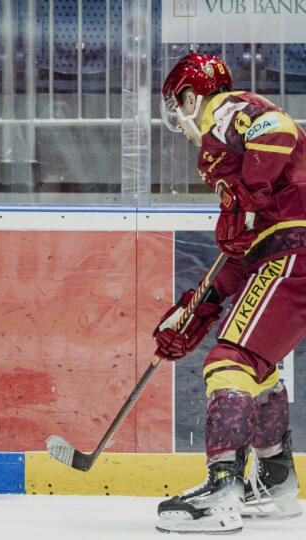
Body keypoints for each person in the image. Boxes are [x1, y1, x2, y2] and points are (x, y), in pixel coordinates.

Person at [154, 53, 302, 534]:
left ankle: (223, 490)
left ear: (191, 97)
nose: (180, 123)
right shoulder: (234, 162)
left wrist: (251, 195)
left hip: (295, 250)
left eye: (178, 108)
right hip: (283, 250)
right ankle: (276, 482)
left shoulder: (223, 113)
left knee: (229, 363)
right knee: (255, 368)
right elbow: (242, 254)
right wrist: (198, 311)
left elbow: (277, 126)